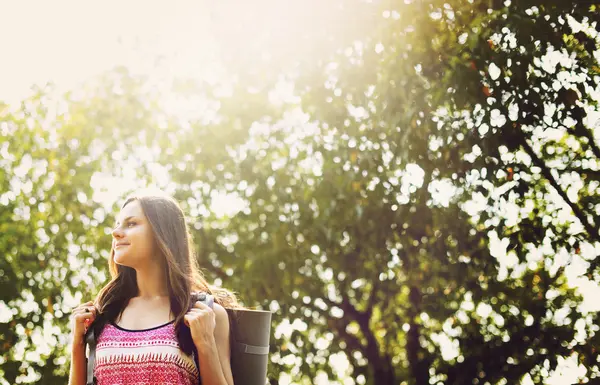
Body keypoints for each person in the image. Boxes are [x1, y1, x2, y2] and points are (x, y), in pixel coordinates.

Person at [68, 191, 238, 385]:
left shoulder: (206, 314)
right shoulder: (104, 314)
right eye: (117, 225)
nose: (115, 233)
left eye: (131, 224)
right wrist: (77, 345)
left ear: (162, 233)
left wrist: (206, 343)